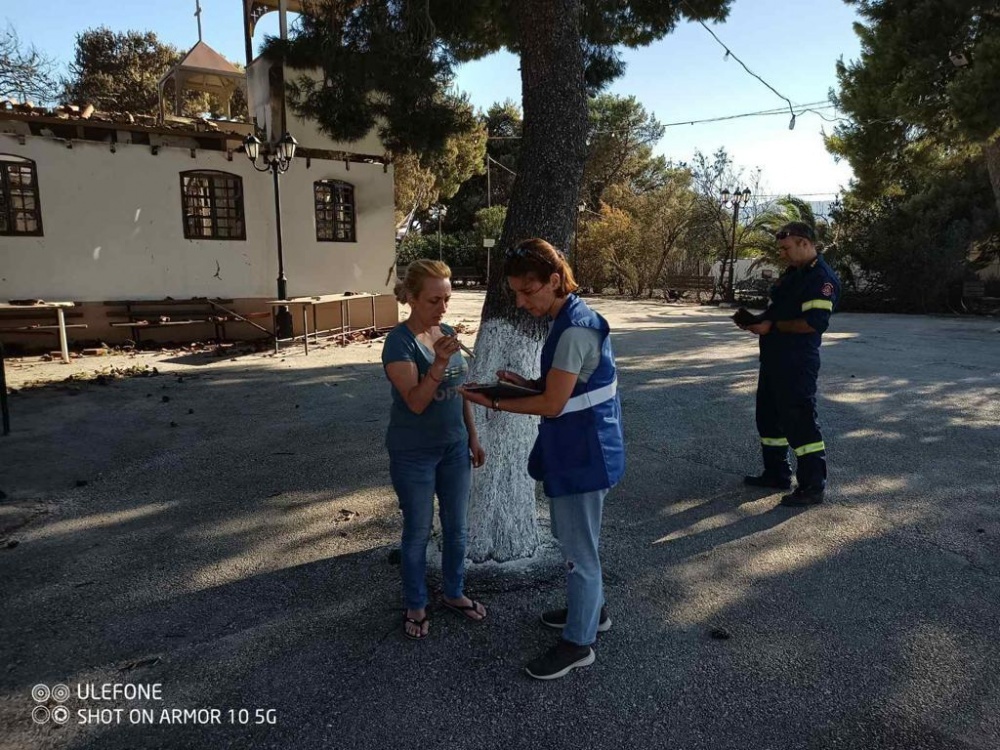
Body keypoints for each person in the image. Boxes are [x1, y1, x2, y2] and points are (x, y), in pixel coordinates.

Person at [460, 238, 625, 680]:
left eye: (527, 291)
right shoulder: (573, 316)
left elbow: (554, 404)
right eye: (515, 292)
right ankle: (593, 612)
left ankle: (579, 643)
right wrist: (525, 382)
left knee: (578, 551)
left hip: (583, 454)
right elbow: (564, 387)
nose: (520, 301)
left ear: (554, 281)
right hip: (583, 449)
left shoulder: (572, 328)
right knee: (578, 541)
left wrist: (493, 401)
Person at [382, 259, 488, 640]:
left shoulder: (444, 332)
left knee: (457, 529)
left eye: (447, 299)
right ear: (411, 298)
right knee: (418, 531)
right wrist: (440, 362)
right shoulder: (399, 342)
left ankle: (454, 593)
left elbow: (459, 393)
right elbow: (415, 401)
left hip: (455, 448)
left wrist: (472, 435)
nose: (442, 309)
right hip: (414, 453)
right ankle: (415, 603)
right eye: (433, 301)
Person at [736, 221, 841, 507]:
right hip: (773, 358)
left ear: (804, 243)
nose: (782, 254)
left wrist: (772, 327)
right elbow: (778, 310)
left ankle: (812, 486)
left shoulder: (821, 278)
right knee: (768, 418)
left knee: (800, 421)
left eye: (786, 248)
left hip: (797, 362)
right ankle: (776, 473)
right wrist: (758, 321)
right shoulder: (793, 274)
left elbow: (813, 323)